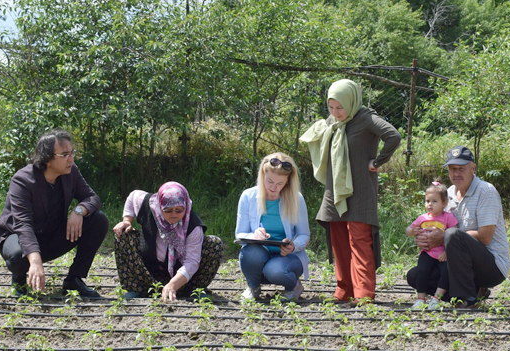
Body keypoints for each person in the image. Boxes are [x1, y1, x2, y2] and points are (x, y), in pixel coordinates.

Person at [300, 78, 401, 302]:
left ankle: (364, 293)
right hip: (334, 191)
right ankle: (344, 290)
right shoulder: (334, 121)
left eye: (340, 107)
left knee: (359, 241)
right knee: (339, 242)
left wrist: (377, 161)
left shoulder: (366, 119)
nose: (336, 112)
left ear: (351, 101)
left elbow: (393, 136)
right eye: (331, 107)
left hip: (361, 191)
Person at [0, 129, 109, 298]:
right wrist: (34, 261)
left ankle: (73, 280)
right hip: (16, 235)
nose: (71, 158)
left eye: (72, 153)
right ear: (48, 158)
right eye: (65, 154)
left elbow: (92, 198)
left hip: (50, 234)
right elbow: (23, 225)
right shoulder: (23, 180)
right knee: (18, 256)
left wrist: (78, 211)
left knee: (98, 220)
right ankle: (19, 280)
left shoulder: (71, 172)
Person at [407, 146, 510, 307]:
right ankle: (473, 291)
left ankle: (467, 298)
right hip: (458, 265)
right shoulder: (447, 194)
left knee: (452, 234)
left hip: (491, 266)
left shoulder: (486, 191)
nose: (456, 173)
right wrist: (425, 238)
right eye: (452, 169)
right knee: (415, 275)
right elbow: (437, 225)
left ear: (473, 168)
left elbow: (485, 236)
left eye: (461, 168)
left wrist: (444, 236)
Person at [113, 181, 224, 301]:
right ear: (159, 206)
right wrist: (127, 221)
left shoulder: (193, 226)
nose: (174, 215)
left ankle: (193, 291)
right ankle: (136, 289)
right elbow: (133, 196)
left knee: (214, 243)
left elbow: (191, 262)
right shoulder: (148, 205)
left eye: (179, 210)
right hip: (148, 272)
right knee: (123, 234)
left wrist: (173, 285)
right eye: (168, 210)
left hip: (183, 278)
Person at [235, 153, 311, 301]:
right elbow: (240, 234)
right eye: (269, 181)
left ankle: (293, 286)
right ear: (262, 175)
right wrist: (254, 235)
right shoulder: (248, 196)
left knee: (274, 270)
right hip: (259, 254)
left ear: (288, 182)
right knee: (250, 253)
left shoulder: (297, 199)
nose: (273, 187)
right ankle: (253, 287)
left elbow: (304, 235)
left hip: (287, 257)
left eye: (280, 184)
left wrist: (293, 245)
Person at [405, 180, 458, 310]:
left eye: (435, 201)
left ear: (444, 203)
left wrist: (447, 252)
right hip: (427, 252)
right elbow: (408, 231)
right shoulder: (422, 218)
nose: (430, 204)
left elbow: (455, 235)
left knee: (446, 272)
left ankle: (436, 299)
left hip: (443, 253)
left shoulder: (448, 217)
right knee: (422, 271)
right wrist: (413, 231)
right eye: (428, 201)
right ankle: (420, 299)